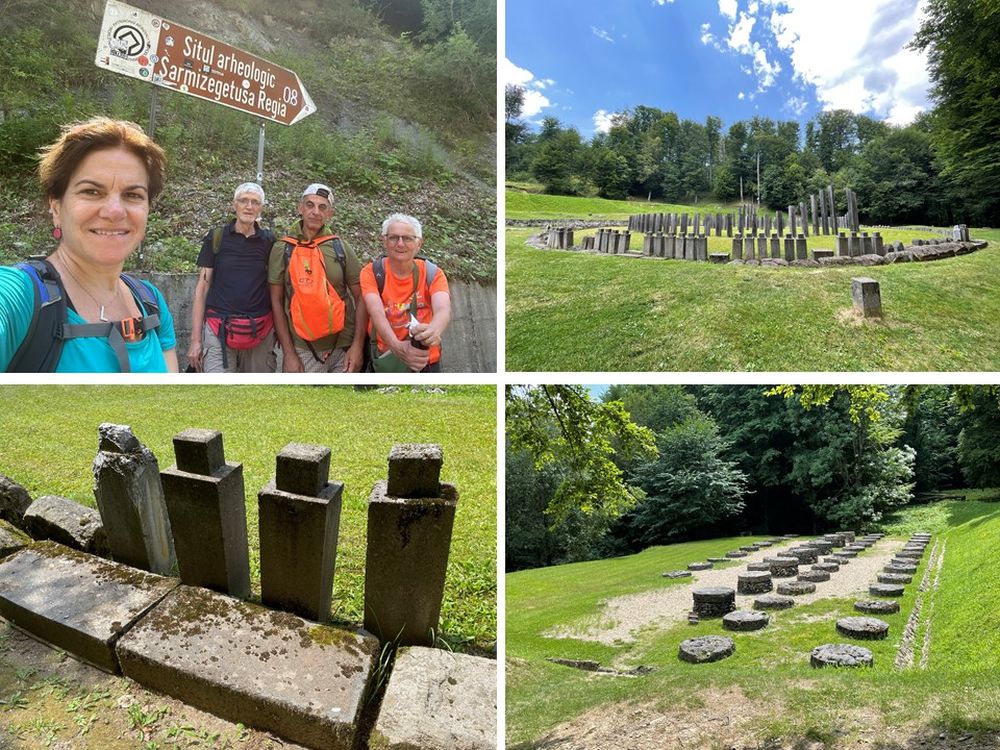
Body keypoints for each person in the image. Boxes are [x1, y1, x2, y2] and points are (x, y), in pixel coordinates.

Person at [0, 117, 178, 373]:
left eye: (133, 195)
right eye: (92, 191)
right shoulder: (21, 298)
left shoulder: (151, 303)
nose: (115, 211)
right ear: (56, 206)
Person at [268, 183, 367, 373]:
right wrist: (289, 353)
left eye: (323, 207)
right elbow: (276, 301)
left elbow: (361, 296)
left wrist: (357, 347)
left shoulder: (341, 248)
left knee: (345, 403)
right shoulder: (283, 248)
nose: (315, 212)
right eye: (310, 205)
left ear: (330, 213)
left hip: (342, 348)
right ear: (300, 208)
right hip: (302, 350)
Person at [188, 182, 276, 373]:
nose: (249, 206)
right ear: (234, 205)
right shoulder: (216, 238)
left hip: (260, 330)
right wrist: (196, 340)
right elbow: (201, 289)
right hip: (218, 327)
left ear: (261, 208)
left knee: (258, 397)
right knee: (217, 395)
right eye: (244, 200)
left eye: (255, 202)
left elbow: (276, 289)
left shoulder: (269, 241)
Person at [360, 213, 451, 373]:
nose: (400, 244)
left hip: (425, 360)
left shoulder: (432, 273)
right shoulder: (372, 273)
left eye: (408, 238)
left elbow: (443, 309)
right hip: (386, 358)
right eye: (394, 237)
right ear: (384, 241)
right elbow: (376, 312)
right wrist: (398, 347)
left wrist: (433, 332)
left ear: (419, 244)